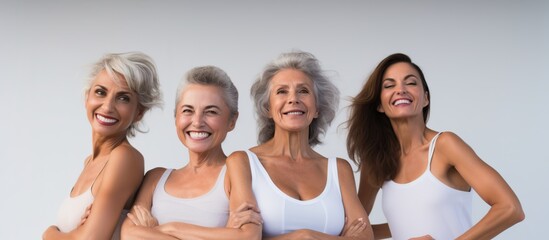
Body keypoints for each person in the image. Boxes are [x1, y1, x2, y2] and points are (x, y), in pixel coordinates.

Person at [346, 53, 525, 240]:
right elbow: (358, 228)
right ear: (379, 105)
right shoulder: (376, 160)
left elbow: (510, 208)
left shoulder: (445, 145)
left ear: (425, 99)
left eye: (411, 83)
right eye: (390, 85)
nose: (401, 90)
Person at [227, 50, 374, 239]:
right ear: (267, 109)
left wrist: (307, 237)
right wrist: (307, 236)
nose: (293, 98)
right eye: (282, 91)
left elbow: (365, 236)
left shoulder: (339, 169)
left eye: (303, 91)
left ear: (317, 108)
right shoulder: (243, 162)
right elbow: (245, 237)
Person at [120, 66, 262, 240]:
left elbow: (248, 237)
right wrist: (223, 234)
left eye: (211, 112)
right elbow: (129, 235)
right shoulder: (155, 178)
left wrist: (168, 228)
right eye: (188, 110)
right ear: (176, 117)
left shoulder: (235, 171)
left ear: (232, 120)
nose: (197, 122)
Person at [43, 52, 163, 240]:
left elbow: (91, 239)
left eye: (123, 98)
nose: (107, 107)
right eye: (100, 92)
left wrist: (49, 233)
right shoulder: (89, 162)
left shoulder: (125, 157)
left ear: (139, 112)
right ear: (87, 97)